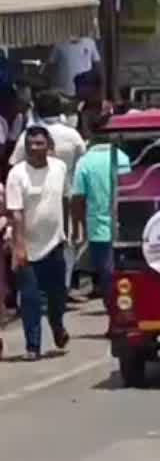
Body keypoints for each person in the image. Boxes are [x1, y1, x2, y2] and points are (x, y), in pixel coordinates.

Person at [13, 91, 87, 295]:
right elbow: (83, 161)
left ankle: (36, 287)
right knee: (67, 240)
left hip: (32, 196)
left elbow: (14, 163)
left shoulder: (28, 136)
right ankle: (61, 287)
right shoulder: (72, 135)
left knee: (33, 239)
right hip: (66, 194)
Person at [7, 126, 71, 360]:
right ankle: (32, 346)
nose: (35, 148)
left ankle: (57, 327)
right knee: (31, 298)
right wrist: (19, 247)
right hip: (28, 247)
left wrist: (68, 230)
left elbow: (64, 199)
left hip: (55, 242)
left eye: (39, 144)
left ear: (48, 145)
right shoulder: (17, 174)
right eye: (31, 144)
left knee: (57, 296)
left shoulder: (60, 168)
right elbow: (16, 214)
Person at [70, 131, 131, 324]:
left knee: (106, 277)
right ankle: (123, 315)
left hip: (97, 230)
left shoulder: (85, 162)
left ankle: (114, 317)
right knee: (123, 275)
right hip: (124, 228)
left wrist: (79, 227)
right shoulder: (122, 158)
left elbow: (78, 198)